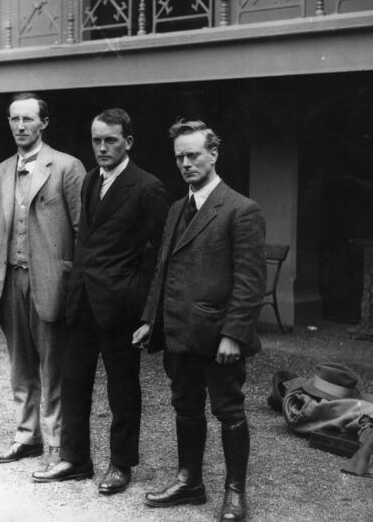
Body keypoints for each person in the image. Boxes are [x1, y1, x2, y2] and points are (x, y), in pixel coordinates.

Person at [132, 119, 266, 521]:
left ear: (214, 154)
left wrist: (234, 335)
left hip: (217, 335)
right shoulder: (177, 208)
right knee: (186, 407)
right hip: (179, 331)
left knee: (229, 410)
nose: (186, 164)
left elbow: (249, 282)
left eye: (193, 155)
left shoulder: (241, 209)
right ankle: (190, 481)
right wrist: (149, 320)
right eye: (180, 157)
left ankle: (235, 493)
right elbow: (163, 269)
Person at [32, 108, 168, 495]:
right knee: (74, 381)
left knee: (122, 389)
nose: (102, 147)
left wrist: (139, 301)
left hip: (120, 306)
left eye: (110, 140)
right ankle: (75, 459)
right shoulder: (91, 179)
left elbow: (160, 254)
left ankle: (120, 464)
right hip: (82, 302)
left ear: (128, 142)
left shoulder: (147, 188)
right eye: (97, 140)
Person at [0, 93, 85, 465]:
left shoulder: (67, 166)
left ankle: (57, 441)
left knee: (54, 366)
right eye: (14, 119)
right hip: (10, 279)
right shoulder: (0, 171)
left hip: (51, 282)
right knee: (20, 365)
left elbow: (82, 229)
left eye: (28, 119)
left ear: (44, 123)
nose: (20, 126)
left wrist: (71, 278)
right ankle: (27, 436)